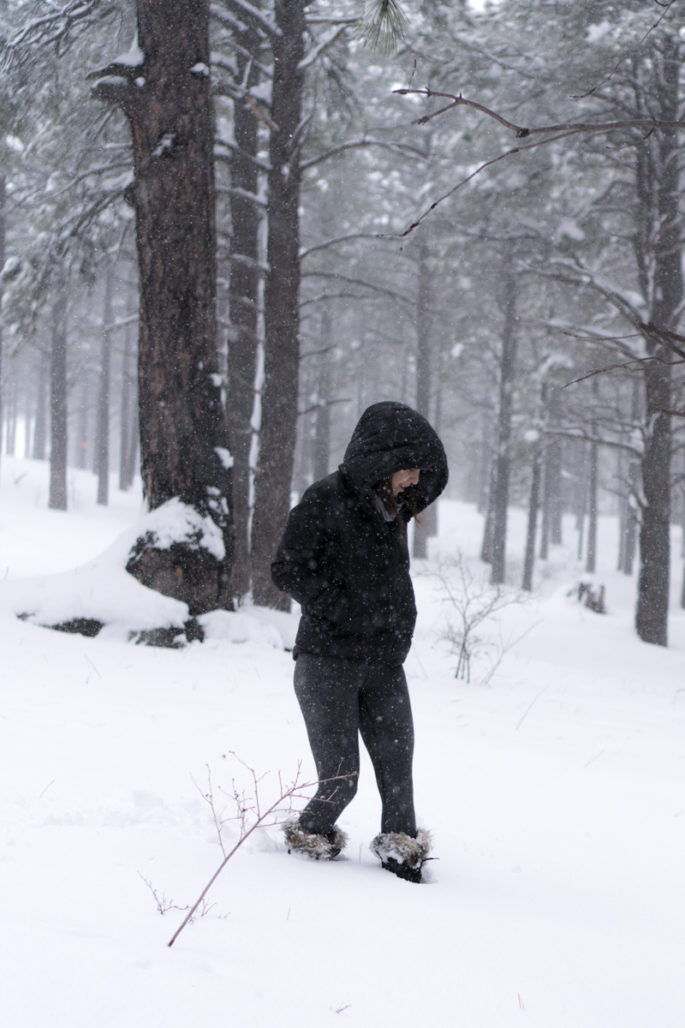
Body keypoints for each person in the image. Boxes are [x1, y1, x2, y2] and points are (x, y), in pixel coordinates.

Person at [271, 401, 448, 882]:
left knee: (398, 772)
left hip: (384, 664)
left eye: (419, 469)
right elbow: (285, 569)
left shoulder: (392, 508)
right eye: (409, 467)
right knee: (341, 780)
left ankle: (403, 864)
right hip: (327, 661)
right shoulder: (323, 499)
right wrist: (343, 607)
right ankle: (306, 851)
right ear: (382, 459)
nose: (414, 478)